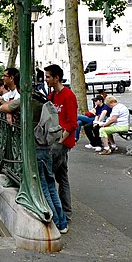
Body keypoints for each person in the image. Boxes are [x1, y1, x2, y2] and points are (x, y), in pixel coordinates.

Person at [25, 96, 68, 233]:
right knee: (51, 187)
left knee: (44, 188)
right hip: (47, 149)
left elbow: (7, 107)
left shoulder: (30, 102)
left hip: (37, 150)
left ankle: (54, 222)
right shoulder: (44, 101)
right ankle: (62, 223)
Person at [44, 63, 77, 222]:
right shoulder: (52, 96)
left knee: (49, 177)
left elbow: (72, 124)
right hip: (56, 141)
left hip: (61, 143)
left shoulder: (68, 96)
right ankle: (66, 211)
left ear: (56, 78)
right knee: (62, 177)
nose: (46, 80)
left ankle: (60, 213)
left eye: (48, 77)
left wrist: (59, 142)